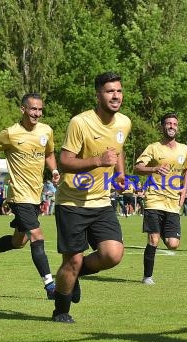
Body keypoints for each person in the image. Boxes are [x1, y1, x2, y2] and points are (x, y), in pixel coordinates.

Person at [52, 72, 131, 323]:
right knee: (72, 260)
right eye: (110, 91)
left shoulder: (124, 123)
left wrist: (120, 174)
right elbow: (64, 161)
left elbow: (118, 150)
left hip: (101, 201)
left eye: (118, 91)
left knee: (113, 254)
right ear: (98, 95)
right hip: (72, 203)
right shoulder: (80, 123)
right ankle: (60, 311)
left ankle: (71, 276)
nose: (115, 96)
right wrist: (98, 161)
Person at [0, 93, 60, 301]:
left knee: (19, 242)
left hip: (36, 195)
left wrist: (53, 171)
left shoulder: (46, 131)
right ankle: (50, 286)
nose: (37, 113)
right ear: (23, 109)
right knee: (37, 236)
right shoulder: (10, 133)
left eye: (40, 109)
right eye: (33, 109)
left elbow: (49, 154)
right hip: (18, 195)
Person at [134, 112, 187, 285]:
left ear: (177, 127)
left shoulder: (184, 149)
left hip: (172, 202)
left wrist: (184, 190)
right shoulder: (153, 147)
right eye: (168, 123)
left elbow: (186, 170)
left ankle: (162, 230)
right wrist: (154, 169)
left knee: (173, 244)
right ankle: (147, 277)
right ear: (162, 127)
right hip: (154, 199)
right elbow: (137, 167)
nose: (172, 126)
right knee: (154, 239)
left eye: (174, 124)